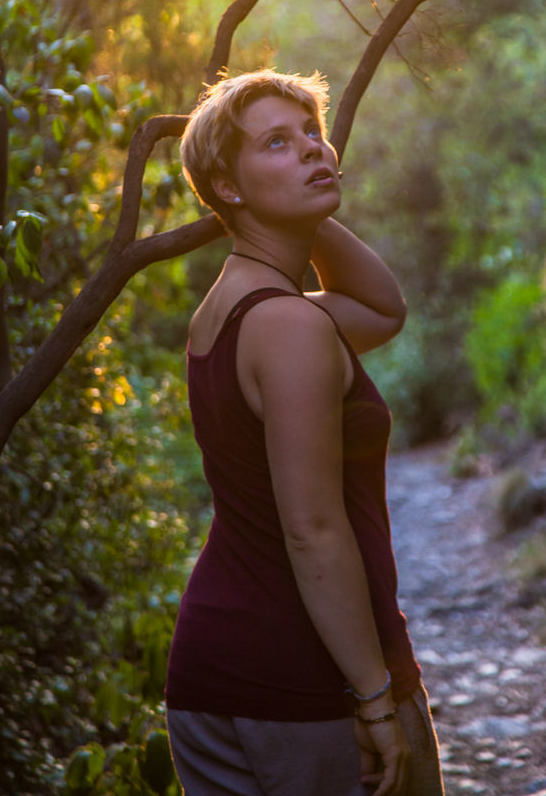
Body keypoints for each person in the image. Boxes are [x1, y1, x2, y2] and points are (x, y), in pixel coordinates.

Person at [164, 69, 445, 796]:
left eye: (313, 137)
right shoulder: (287, 325)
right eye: (277, 144)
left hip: (216, 677)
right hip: (301, 685)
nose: (314, 152)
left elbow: (379, 310)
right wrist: (373, 699)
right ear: (227, 187)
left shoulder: (230, 311)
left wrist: (298, 204)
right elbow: (312, 530)